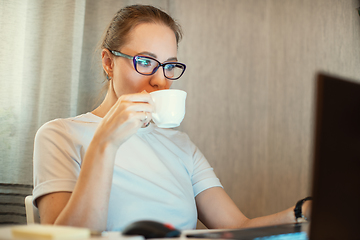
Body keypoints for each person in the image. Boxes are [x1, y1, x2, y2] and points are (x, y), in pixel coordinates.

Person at [33, 4, 311, 232]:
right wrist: (105, 143)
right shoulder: (60, 135)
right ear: (108, 62)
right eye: (144, 61)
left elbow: (236, 227)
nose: (159, 80)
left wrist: (303, 211)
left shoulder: (181, 145)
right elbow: (65, 238)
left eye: (169, 66)